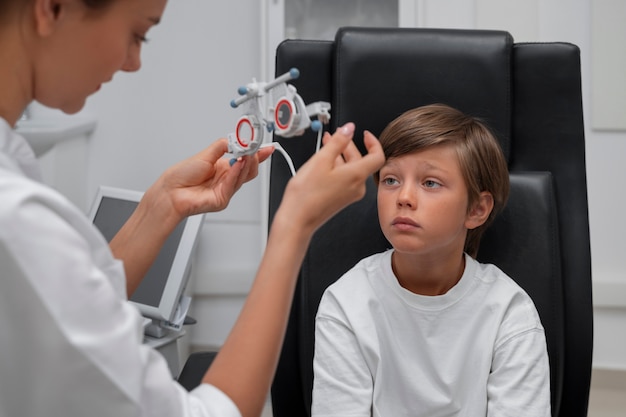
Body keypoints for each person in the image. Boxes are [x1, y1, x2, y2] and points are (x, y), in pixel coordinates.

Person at [0, 1, 385, 416]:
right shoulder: (17, 216)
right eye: (138, 34)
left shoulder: (14, 167)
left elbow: (72, 307)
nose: (134, 63)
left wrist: (164, 204)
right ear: (52, 9)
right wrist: (293, 225)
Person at [312, 104, 551, 417]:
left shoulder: (510, 312)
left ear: (477, 209)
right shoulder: (345, 304)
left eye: (430, 183)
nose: (404, 197)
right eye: (391, 180)